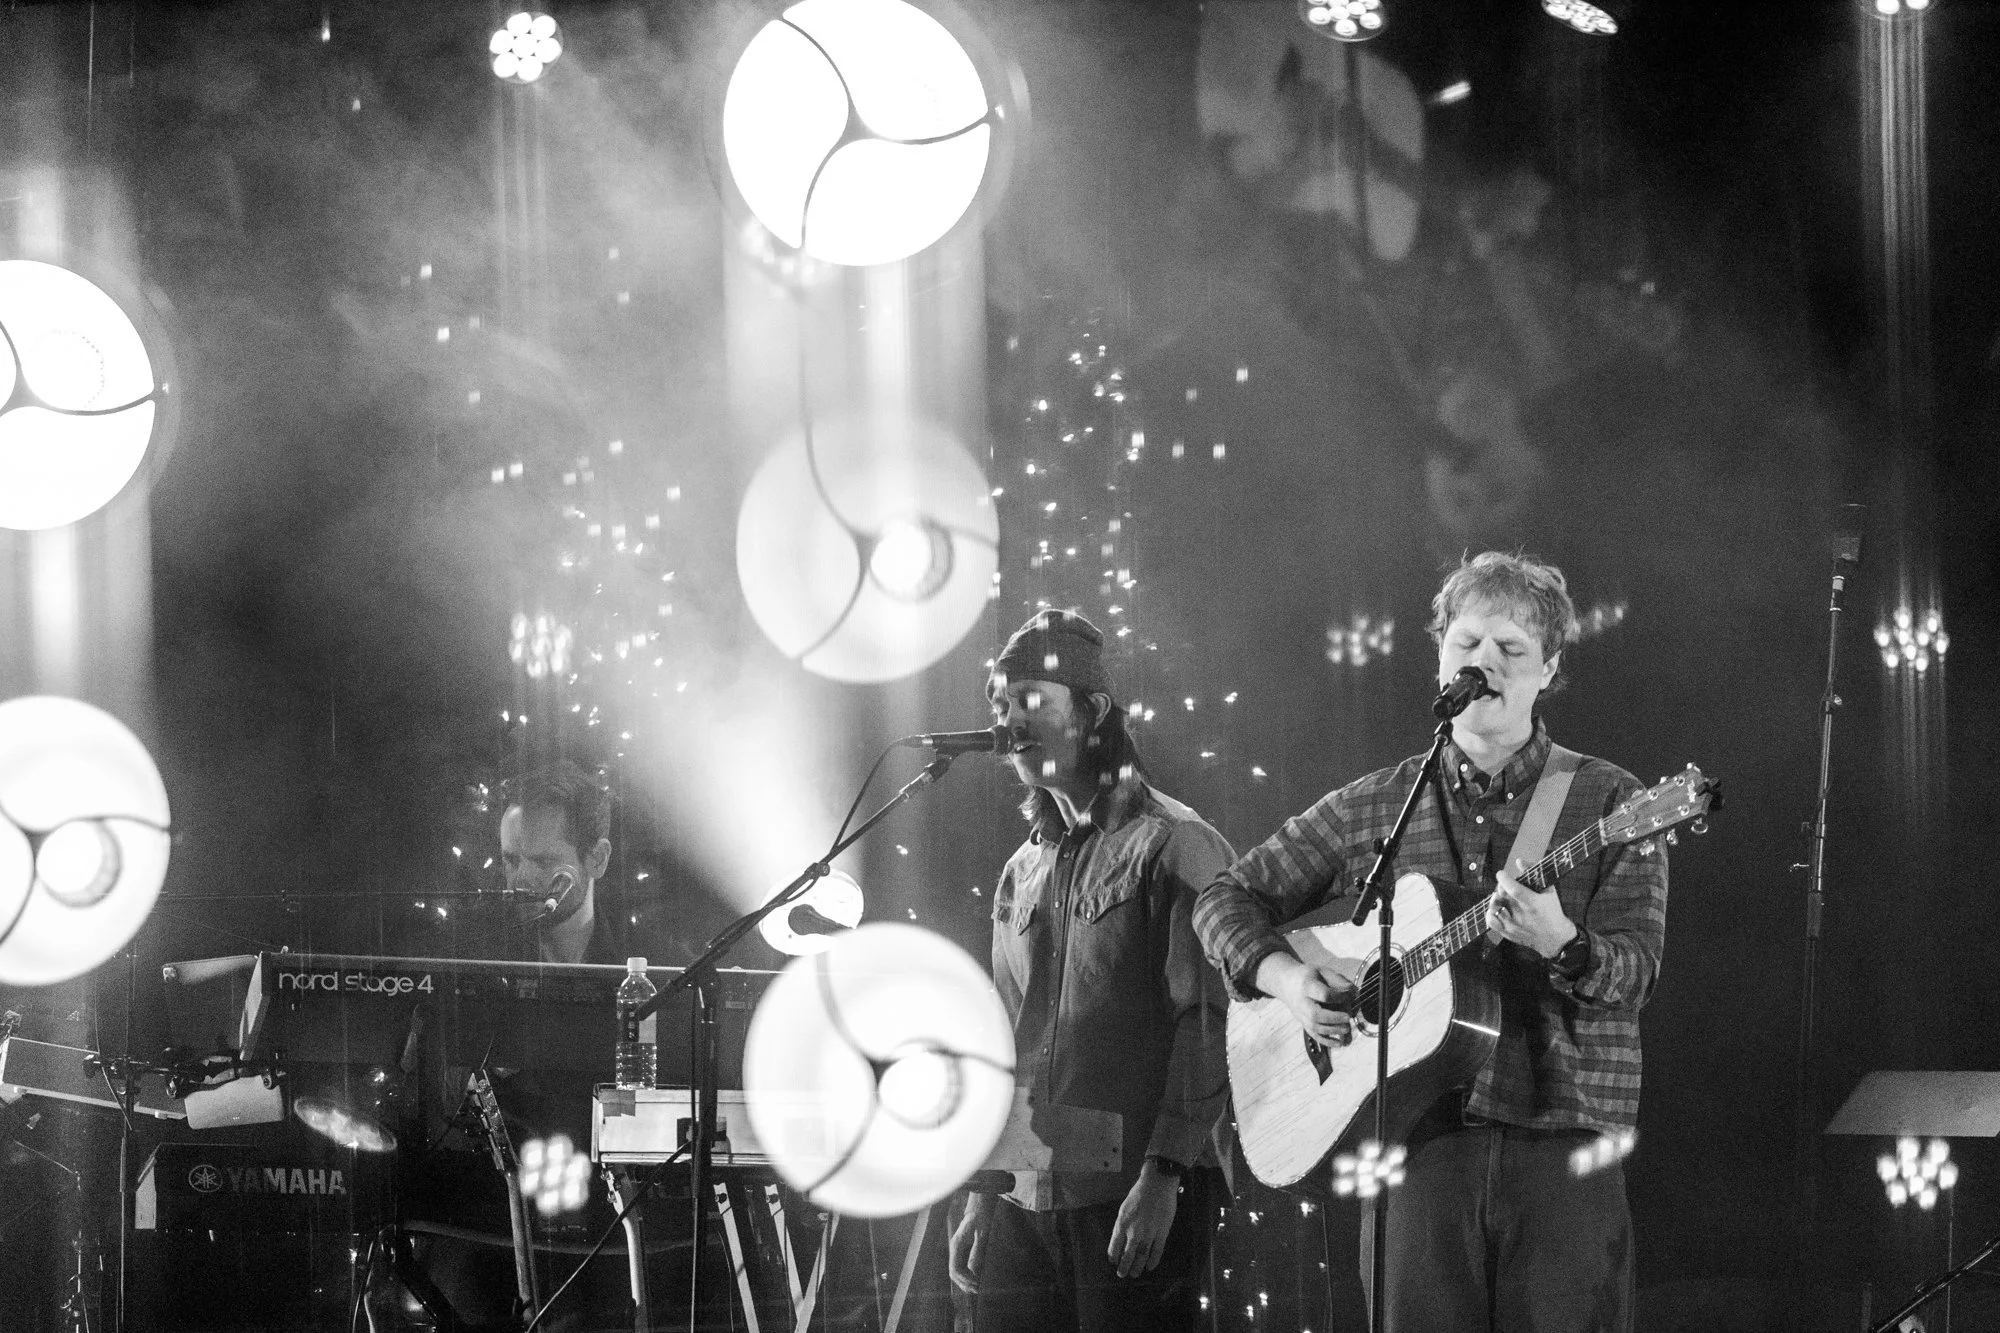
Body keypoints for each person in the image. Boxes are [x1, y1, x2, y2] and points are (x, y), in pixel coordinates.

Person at [1194, 552, 1668, 1332]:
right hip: (1415, 1146)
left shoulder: (1610, 799)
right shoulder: (1379, 801)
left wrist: (1563, 942)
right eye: (1467, 645)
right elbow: (1223, 897)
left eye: (1511, 650)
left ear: (1548, 668)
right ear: (1441, 656)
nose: (1485, 663)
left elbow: (1638, 970)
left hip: (1562, 1145)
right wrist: (1286, 979)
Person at [949, 609, 1235, 1333]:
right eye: (1000, 704)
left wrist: (1164, 1174)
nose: (1009, 719)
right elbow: (1009, 1040)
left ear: (1094, 710)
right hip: (1027, 1195)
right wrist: (986, 1188)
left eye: (1032, 700)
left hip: (1133, 1189)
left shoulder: (1176, 842)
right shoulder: (1021, 870)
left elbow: (1207, 1020)